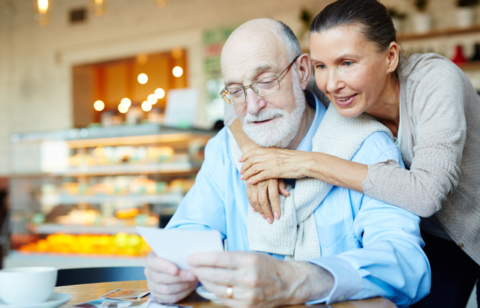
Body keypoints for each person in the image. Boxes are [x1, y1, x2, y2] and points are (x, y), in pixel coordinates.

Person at [145, 18, 430, 308]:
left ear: (303, 70)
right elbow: (187, 234)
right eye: (236, 91)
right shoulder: (224, 150)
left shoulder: (366, 146)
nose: (253, 106)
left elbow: (404, 263)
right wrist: (167, 272)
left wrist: (296, 280)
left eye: (266, 82)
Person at [226, 1, 480, 307]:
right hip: (432, 240)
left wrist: (307, 162)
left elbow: (427, 194)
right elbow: (235, 103)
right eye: (320, 66)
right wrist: (257, 159)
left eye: (347, 62)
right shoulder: (335, 88)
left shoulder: (435, 81)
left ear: (390, 57)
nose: (332, 83)